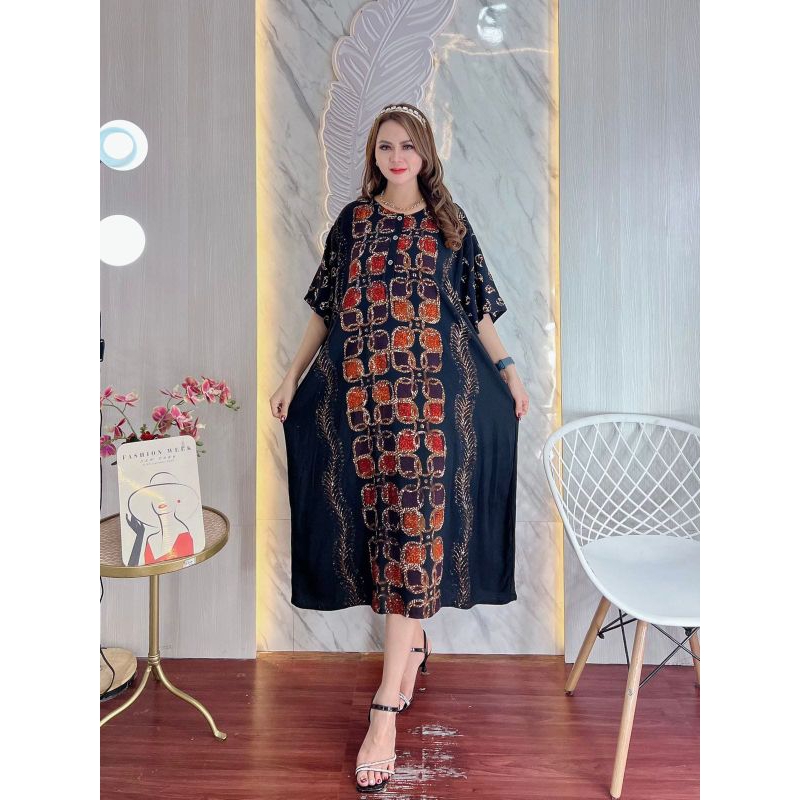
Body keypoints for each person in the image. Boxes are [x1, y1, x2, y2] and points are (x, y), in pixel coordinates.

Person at [270, 103, 529, 792]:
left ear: (426, 154)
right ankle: (411, 648)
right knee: (383, 537)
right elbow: (325, 308)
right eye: (385, 146)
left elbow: (477, 309)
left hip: (432, 414)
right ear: (374, 155)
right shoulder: (354, 222)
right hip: (365, 408)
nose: (396, 157)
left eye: (408, 146)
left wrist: (509, 372)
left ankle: (384, 709)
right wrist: (291, 377)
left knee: (414, 539)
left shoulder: (450, 224)